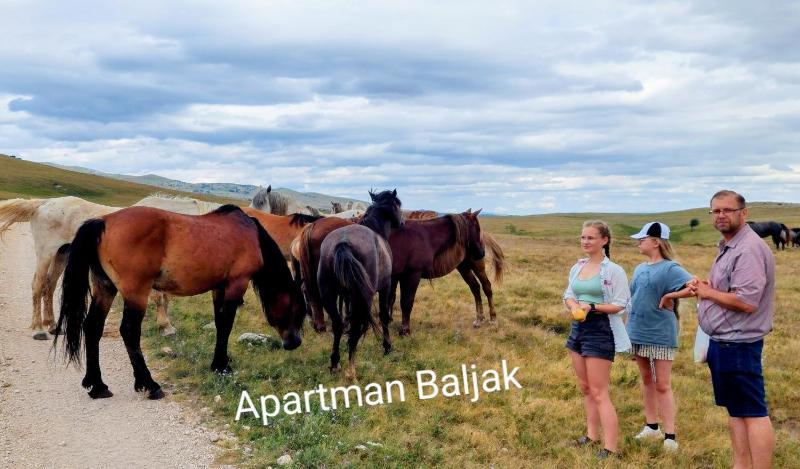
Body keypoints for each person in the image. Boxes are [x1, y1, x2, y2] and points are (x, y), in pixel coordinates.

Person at [691, 190, 775, 469]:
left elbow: (746, 302)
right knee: (737, 411)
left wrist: (707, 292)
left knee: (753, 412)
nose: (721, 215)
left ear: (744, 213)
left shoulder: (748, 249)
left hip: (739, 344)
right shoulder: (730, 245)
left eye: (727, 210)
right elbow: (730, 290)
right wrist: (706, 288)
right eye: (715, 211)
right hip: (724, 342)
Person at [563, 220, 631, 459]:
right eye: (583, 237)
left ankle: (610, 448)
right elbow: (568, 295)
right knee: (585, 388)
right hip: (578, 328)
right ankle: (591, 437)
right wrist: (574, 306)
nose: (585, 241)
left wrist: (592, 307)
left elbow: (621, 304)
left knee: (599, 391)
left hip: (601, 330)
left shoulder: (614, 271)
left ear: (604, 240)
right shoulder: (577, 267)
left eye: (590, 237)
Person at [625, 222, 694, 452]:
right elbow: (632, 298)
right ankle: (652, 426)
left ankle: (670, 436)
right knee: (646, 380)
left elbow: (695, 286)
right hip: (637, 330)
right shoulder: (639, 268)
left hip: (660, 333)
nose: (638, 242)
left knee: (662, 384)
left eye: (642, 239)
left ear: (656, 242)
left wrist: (670, 296)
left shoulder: (670, 268)